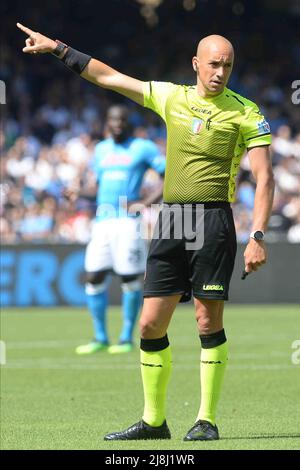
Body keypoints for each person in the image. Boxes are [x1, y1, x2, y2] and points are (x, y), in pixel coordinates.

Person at [17, 24, 275, 441]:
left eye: (227, 65)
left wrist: (257, 236)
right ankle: (154, 422)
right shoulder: (171, 96)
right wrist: (58, 49)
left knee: (207, 321)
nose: (220, 72)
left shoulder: (246, 112)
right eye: (213, 64)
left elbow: (265, 179)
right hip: (172, 219)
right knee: (149, 325)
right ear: (196, 64)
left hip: (212, 219)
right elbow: (109, 76)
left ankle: (206, 419)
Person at [74, 104, 165, 355]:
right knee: (93, 276)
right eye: (112, 120)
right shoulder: (101, 150)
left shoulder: (143, 147)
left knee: (129, 277)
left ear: (129, 123)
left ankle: (125, 338)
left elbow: (168, 176)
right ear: (107, 122)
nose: (116, 124)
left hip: (128, 221)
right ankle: (100, 337)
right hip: (102, 220)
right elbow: (98, 187)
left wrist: (145, 203)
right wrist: (78, 192)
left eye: (121, 120)